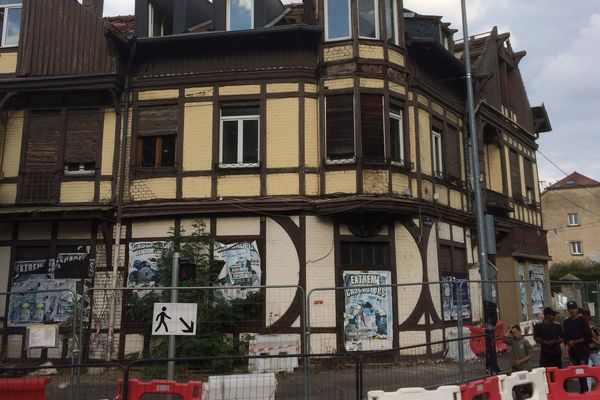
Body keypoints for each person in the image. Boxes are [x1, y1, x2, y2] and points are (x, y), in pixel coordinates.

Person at [563, 301, 592, 393]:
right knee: (577, 372)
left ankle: (585, 391)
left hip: (583, 351)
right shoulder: (566, 322)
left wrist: (575, 342)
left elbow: (589, 337)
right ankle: (583, 390)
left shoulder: (583, 320)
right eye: (570, 309)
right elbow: (565, 338)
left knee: (583, 371)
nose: (572, 311)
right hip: (573, 352)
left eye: (574, 308)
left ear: (577, 309)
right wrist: (566, 347)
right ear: (568, 310)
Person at [503, 324, 533, 400]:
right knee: (515, 384)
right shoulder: (512, 341)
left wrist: (520, 361)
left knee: (526, 384)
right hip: (515, 368)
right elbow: (504, 338)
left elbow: (530, 355)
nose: (514, 335)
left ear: (520, 332)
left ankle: (531, 395)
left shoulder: (525, 342)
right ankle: (520, 398)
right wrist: (509, 330)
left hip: (524, 367)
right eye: (513, 333)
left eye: (516, 332)